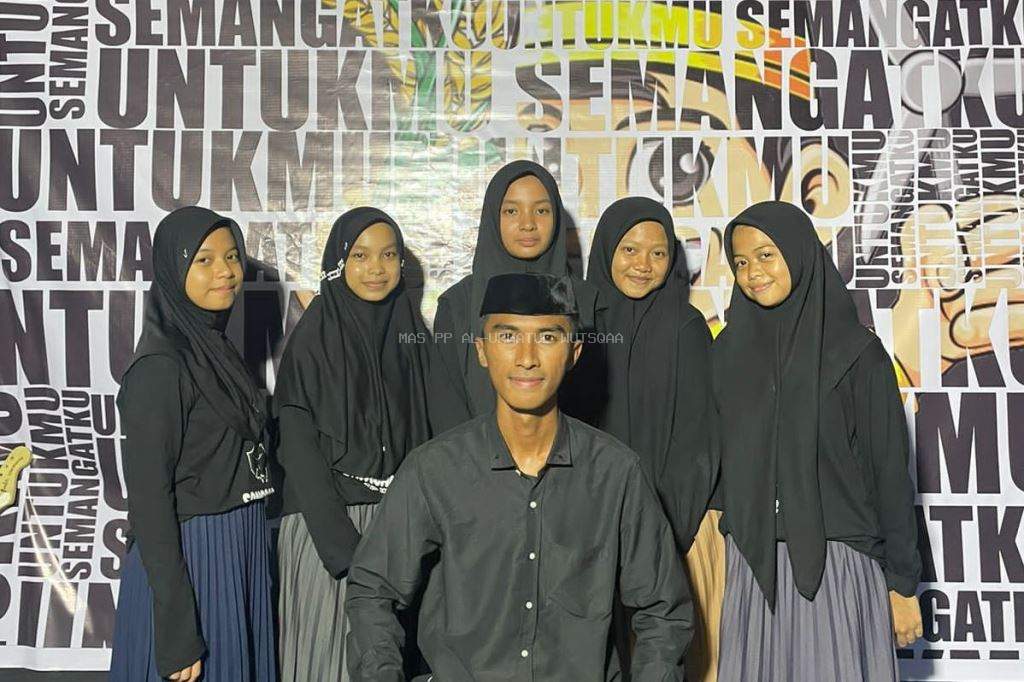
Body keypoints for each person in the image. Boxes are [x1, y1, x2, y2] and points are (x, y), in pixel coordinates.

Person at [345, 272, 692, 681]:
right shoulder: (434, 470)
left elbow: (664, 612)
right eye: (508, 336)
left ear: (574, 352)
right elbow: (373, 591)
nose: (527, 357)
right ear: (481, 350)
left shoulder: (616, 473)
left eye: (547, 337)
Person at [712, 201, 923, 681]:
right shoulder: (726, 352)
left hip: (837, 567)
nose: (752, 272)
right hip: (754, 570)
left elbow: (889, 474)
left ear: (799, 252)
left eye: (766, 255)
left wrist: (902, 584)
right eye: (740, 261)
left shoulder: (859, 353)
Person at [273, 207, 447, 681]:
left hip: (401, 529)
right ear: (338, 263)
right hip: (329, 529)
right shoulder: (312, 340)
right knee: (330, 662)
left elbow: (434, 437)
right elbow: (299, 454)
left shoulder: (411, 335)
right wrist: (347, 554)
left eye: (388, 255)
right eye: (361, 256)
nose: (376, 268)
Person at [110, 207, 276, 682]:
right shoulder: (160, 368)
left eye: (232, 256)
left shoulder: (216, 350)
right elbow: (150, 504)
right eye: (204, 260)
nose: (226, 271)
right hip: (193, 559)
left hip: (238, 546)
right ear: (172, 268)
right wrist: (177, 627)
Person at [570, 197, 715, 675]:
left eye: (658, 253)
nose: (643, 265)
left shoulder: (686, 328)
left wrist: (663, 533)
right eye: (629, 250)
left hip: (664, 533)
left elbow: (699, 443)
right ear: (607, 249)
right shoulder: (578, 326)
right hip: (581, 533)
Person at [433, 160, 594, 419]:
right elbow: (445, 407)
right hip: (471, 445)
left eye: (541, 211)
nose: (527, 224)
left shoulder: (587, 299)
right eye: (511, 211)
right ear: (493, 216)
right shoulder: (458, 304)